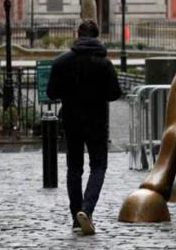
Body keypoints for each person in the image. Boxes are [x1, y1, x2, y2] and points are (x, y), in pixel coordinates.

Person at [47, 20, 122, 235]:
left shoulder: (62, 61)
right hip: (97, 121)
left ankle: (76, 216)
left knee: (74, 168)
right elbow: (115, 93)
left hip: (71, 120)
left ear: (77, 35)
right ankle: (87, 210)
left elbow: (52, 92)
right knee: (98, 166)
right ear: (97, 36)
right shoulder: (104, 63)